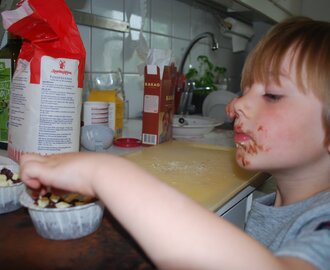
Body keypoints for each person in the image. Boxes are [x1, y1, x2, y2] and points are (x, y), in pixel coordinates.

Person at [19, 16, 330, 270]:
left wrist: (104, 172)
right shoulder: (274, 204)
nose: (234, 107)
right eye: (244, 90)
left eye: (272, 95)